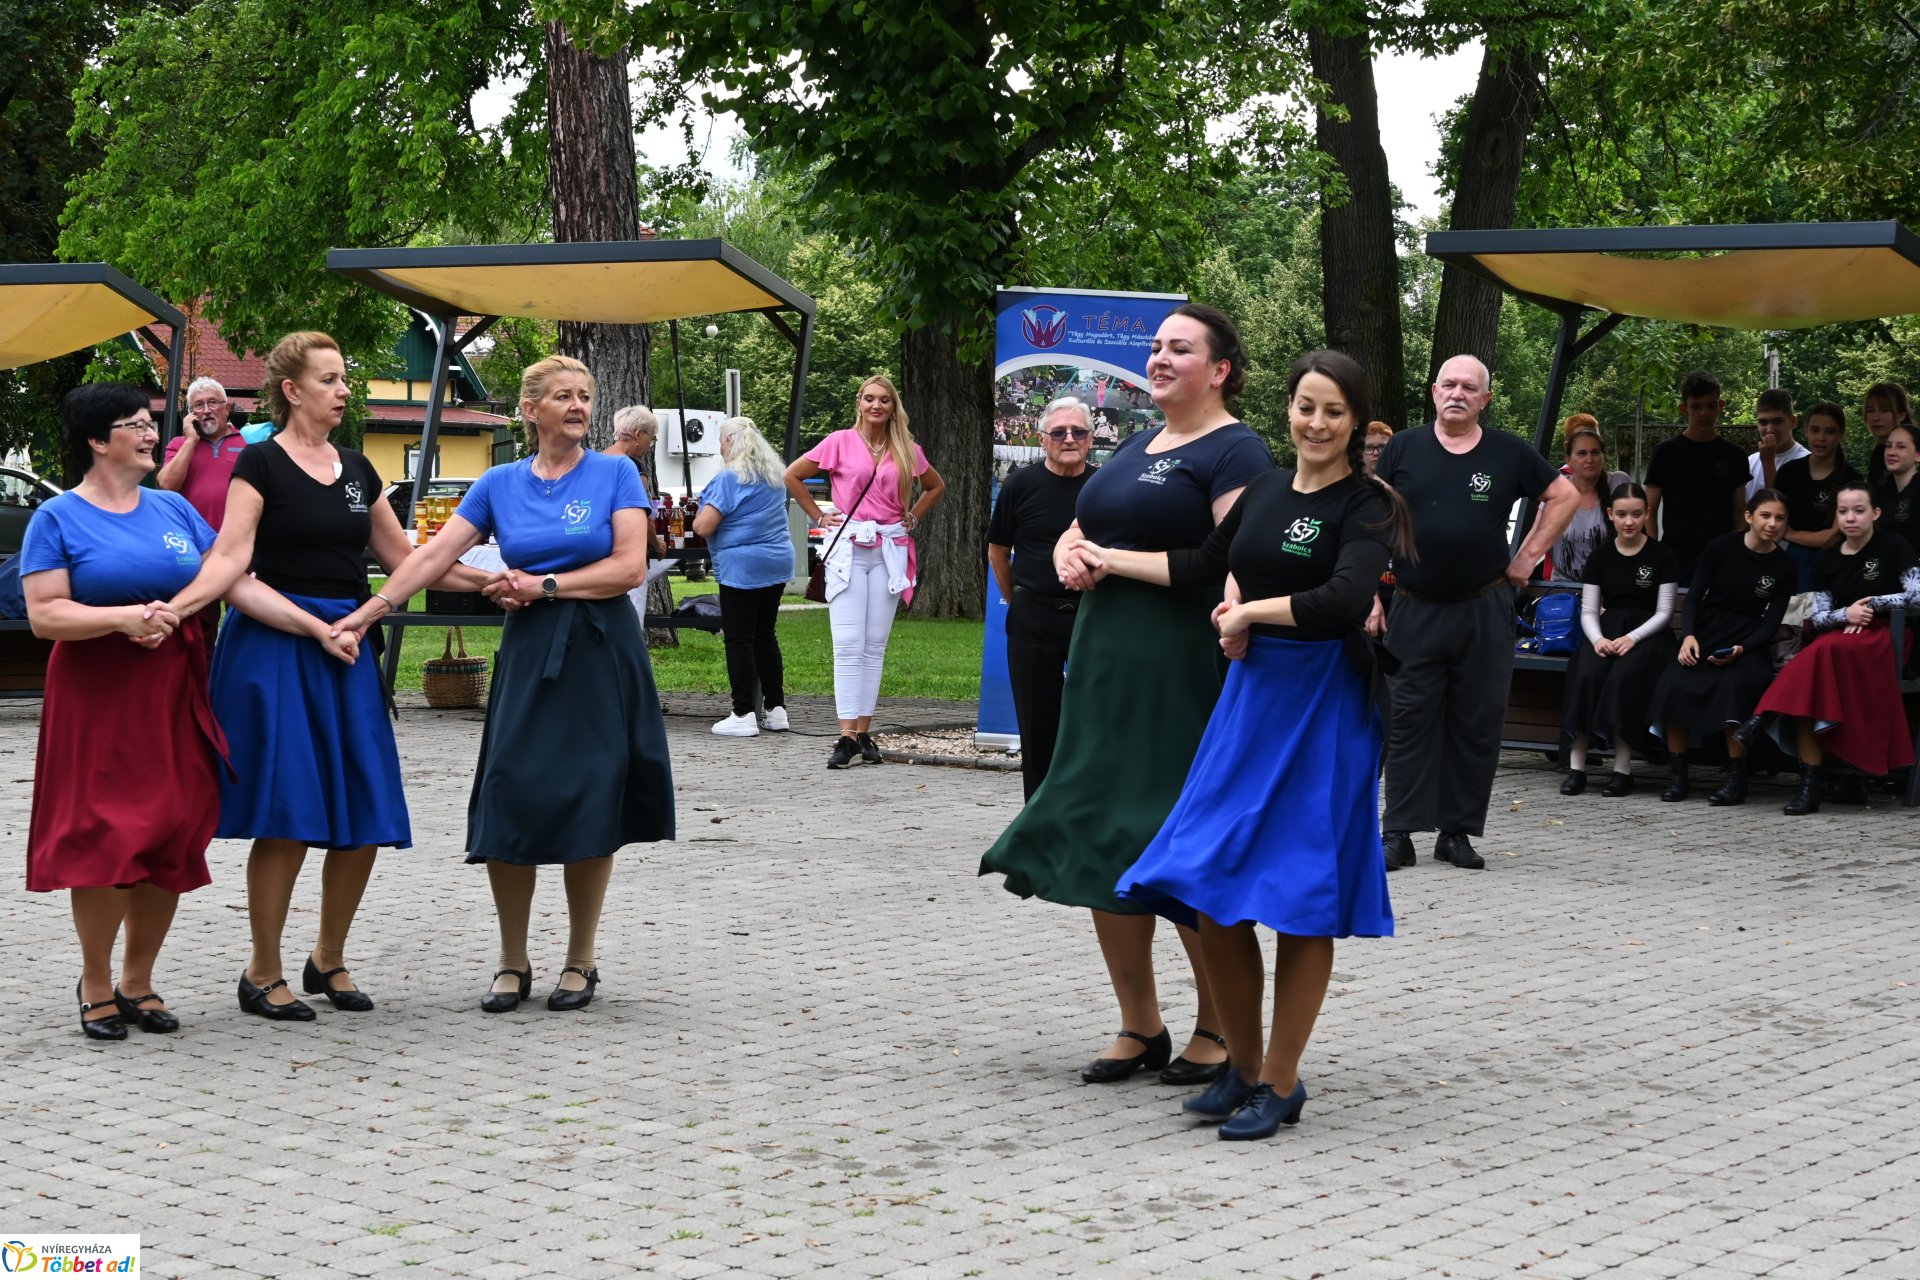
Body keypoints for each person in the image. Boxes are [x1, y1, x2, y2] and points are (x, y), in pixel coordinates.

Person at [1084, 351, 1412, 1139]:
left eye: (1333, 411)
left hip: (1322, 708)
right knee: (1207, 882)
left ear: (1356, 422)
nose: (1317, 424)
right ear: (1289, 410)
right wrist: (1099, 553)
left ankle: (1282, 1081)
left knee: (1302, 901)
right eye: (1305, 406)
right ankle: (1242, 1067)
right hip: (1250, 702)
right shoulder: (1264, 491)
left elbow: (1342, 601)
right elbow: (1204, 563)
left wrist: (1249, 616)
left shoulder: (1368, 506)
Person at [981, 303, 1272, 1088]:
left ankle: (1219, 1024)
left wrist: (1111, 559)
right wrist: (1077, 549)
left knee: (1173, 840)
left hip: (1176, 666)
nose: (1159, 358)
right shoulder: (1142, 441)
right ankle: (1140, 1024)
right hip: (1103, 662)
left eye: (1180, 348)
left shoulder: (1237, 449)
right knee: (1102, 828)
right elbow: (1086, 519)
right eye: (1155, 347)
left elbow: (1224, 562)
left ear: (1220, 370)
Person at [335, 355, 671, 1013]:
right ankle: (512, 960)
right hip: (529, 651)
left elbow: (630, 568)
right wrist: (371, 611)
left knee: (590, 794)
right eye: (563, 397)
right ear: (530, 410)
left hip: (599, 649)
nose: (577, 406)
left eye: (585, 396)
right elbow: (432, 556)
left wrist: (544, 584)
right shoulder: (499, 481)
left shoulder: (616, 473)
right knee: (509, 791)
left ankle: (580, 961)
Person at [166, 331, 479, 1021]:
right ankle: (262, 971)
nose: (344, 391)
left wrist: (496, 580)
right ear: (293, 390)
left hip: (349, 640)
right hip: (278, 643)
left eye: (344, 378)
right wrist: (185, 605)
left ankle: (327, 959)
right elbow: (229, 560)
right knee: (287, 817)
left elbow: (407, 559)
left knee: (365, 812)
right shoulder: (260, 466)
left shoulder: (359, 468)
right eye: (331, 380)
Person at [22, 384, 338, 1039]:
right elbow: (45, 614)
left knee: (170, 829)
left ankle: (139, 981)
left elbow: (235, 580)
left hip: (174, 690)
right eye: (133, 425)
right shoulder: (58, 519)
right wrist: (123, 619)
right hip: (99, 699)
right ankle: (96, 982)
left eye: (147, 423)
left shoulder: (172, 509)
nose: (148, 433)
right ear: (95, 440)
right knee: (106, 835)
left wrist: (314, 626)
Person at [1370, 355, 1578, 872]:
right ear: (1434, 391)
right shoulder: (1403, 447)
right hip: (1414, 607)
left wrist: (1527, 557)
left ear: (1485, 398)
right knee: (1407, 719)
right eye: (1449, 384)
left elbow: (1564, 494)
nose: (1457, 393)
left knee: (1476, 720)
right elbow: (1374, 517)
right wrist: (1368, 592)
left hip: (1484, 606)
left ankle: (1457, 833)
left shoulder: (1508, 452)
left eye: (1470, 387)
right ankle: (1398, 832)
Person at [784, 375, 946, 769]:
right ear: (859, 402)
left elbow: (935, 486)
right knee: (848, 643)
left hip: (889, 546)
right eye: (870, 399)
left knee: (874, 645)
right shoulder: (838, 441)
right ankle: (845, 733)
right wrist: (819, 515)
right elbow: (792, 475)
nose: (877, 406)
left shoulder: (907, 449)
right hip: (850, 548)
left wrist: (913, 517)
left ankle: (862, 730)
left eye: (885, 400)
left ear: (894, 407)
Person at [1746, 482, 1920, 812]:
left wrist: (1869, 605)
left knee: (1817, 655)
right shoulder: (1828, 557)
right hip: (1842, 636)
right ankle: (1809, 784)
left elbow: (1917, 594)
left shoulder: (1894, 545)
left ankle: (1762, 716)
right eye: (1843, 511)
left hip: (1886, 636)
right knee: (1816, 670)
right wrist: (1847, 613)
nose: (1850, 518)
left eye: (1858, 510)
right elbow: (1822, 615)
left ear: (1875, 513)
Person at [1646, 490, 1792, 805]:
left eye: (1779, 518)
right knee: (1674, 683)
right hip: (1706, 631)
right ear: (1749, 516)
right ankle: (1677, 776)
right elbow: (1695, 597)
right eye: (1766, 515)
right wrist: (1688, 635)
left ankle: (1736, 779)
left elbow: (1770, 624)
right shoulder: (1721, 547)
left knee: (1733, 686)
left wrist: (1742, 648)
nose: (1772, 524)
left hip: (1750, 641)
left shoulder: (1784, 565)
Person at [986, 395, 1096, 797]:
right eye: (1060, 432)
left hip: (1093, 617)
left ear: (1090, 438)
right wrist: (1016, 598)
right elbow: (998, 551)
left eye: (1079, 432)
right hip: (1033, 614)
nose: (1070, 438)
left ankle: (1085, 809)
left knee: (1095, 717)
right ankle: (1037, 816)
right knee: (1036, 723)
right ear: (1042, 438)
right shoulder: (1020, 485)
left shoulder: (1104, 487)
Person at [1556, 482, 1681, 796]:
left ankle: (1622, 770)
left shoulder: (1662, 554)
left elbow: (1664, 612)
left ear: (1647, 514)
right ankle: (1576, 768)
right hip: (1606, 629)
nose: (1629, 521)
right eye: (1622, 514)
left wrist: (1632, 638)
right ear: (1610, 514)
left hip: (1649, 634)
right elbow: (1588, 610)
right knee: (1586, 672)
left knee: (1624, 677)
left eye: (1636, 514)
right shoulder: (1600, 557)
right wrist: (1598, 640)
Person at [693, 416, 795, 737]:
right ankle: (776, 710)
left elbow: (703, 526)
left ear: (731, 442)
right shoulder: (774, 475)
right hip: (776, 562)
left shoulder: (729, 479)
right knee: (765, 635)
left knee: (739, 639)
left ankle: (742, 714)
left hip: (742, 566)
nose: (720, 448)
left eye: (722, 441)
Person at [1644, 370, 1749, 578]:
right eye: (1696, 406)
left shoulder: (1735, 455)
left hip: (1721, 558)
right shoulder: (1665, 453)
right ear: (1684, 409)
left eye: (1710, 405)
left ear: (1721, 406)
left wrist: (1737, 554)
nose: (1704, 413)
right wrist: (1653, 552)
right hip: (1675, 557)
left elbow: (1740, 514)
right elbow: (1649, 510)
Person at [1771, 402, 1858, 591]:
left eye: (1830, 431)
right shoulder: (1789, 472)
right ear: (1806, 431)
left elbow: (1832, 537)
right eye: (1815, 430)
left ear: (1841, 434)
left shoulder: (1851, 479)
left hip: (1831, 563)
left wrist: (1791, 534)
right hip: (1787, 559)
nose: (1821, 438)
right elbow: (1773, 521)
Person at [156, 376, 249, 529]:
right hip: (191, 538)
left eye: (213, 402)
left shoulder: (247, 442)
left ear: (227, 409)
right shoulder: (179, 445)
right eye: (198, 405)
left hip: (238, 538)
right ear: (191, 414)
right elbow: (167, 485)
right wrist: (191, 441)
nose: (206, 410)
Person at [1549, 416, 1630, 582]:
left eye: (1595, 448)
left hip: (1610, 585)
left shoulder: (1619, 483)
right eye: (1581, 450)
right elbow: (1538, 533)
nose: (1589, 458)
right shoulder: (1556, 487)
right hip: (1564, 586)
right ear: (1568, 451)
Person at [1746, 389, 1808, 500]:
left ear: (1793, 422)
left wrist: (1768, 463)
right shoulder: (1751, 462)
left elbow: (1780, 510)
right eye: (1763, 422)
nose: (1769, 430)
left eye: (1777, 421)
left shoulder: (1806, 462)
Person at [1873, 422, 1920, 543]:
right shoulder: (1882, 490)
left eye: (1901, 446)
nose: (1891, 452)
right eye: (1888, 446)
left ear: (1918, 455)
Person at [1862, 382, 1915, 489]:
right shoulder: (1878, 453)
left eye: (1884, 410)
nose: (1876, 418)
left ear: (1901, 415)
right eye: (1870, 410)